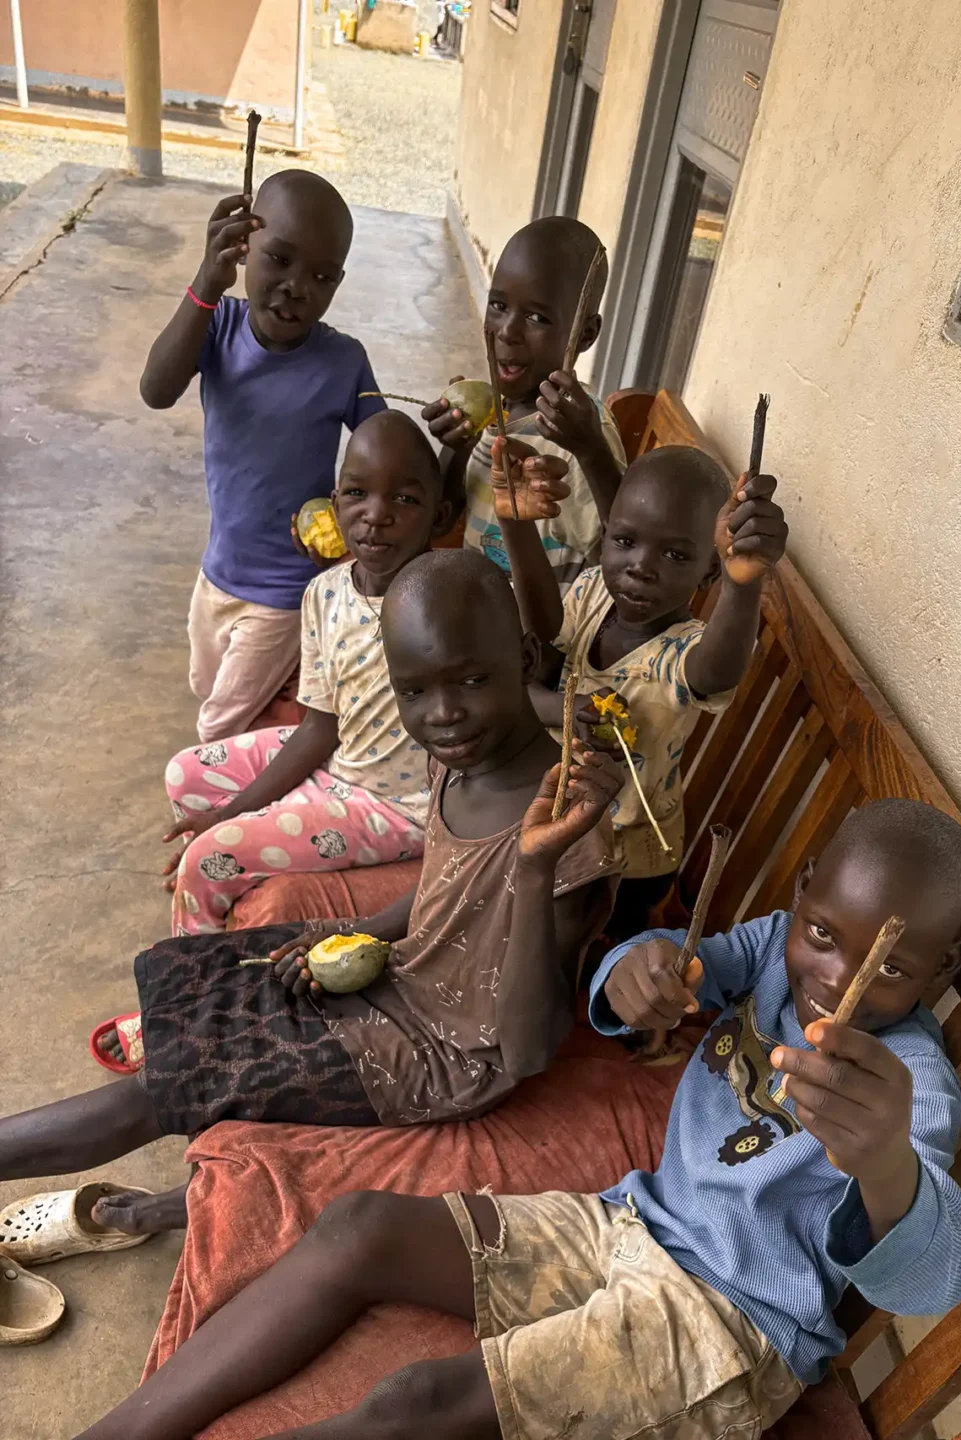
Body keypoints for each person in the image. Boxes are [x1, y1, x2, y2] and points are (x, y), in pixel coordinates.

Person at [73, 798, 961, 1440]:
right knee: (359, 1227)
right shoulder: (776, 947)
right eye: (824, 934)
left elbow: (933, 1278)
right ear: (808, 892)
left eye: (890, 969)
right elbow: (674, 967)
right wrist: (638, 971)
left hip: (732, 1324)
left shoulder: (914, 1086)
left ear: (942, 970)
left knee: (414, 1404)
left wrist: (885, 1164)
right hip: (631, 1222)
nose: (837, 978)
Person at [2, 551, 620, 1242]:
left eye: (472, 679)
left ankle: (163, 1193)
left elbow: (526, 1051)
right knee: (227, 971)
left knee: (166, 1086)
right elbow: (447, 888)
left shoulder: (565, 829)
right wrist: (362, 932)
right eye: (414, 691)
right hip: (406, 975)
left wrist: (533, 870)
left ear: (525, 658)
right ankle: (185, 1162)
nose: (444, 713)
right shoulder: (460, 757)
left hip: (448, 1054)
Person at [155, 409, 454, 940]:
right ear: (334, 505)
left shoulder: (448, 599)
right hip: (338, 760)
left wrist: (227, 825)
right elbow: (320, 726)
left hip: (395, 806)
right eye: (357, 493)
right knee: (185, 774)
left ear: (440, 516)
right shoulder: (325, 591)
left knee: (206, 860)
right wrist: (233, 812)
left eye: (405, 500)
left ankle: (197, 980)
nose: (376, 515)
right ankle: (239, 890)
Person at [492, 438, 788, 937]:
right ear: (607, 533)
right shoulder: (592, 592)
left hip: (627, 861)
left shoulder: (682, 655)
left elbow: (717, 671)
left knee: (586, 943)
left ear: (709, 569)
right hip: (555, 828)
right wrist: (516, 525)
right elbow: (537, 651)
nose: (641, 566)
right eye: (625, 541)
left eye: (674, 554)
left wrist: (740, 584)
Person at [141, 169, 386, 742]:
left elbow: (384, 452)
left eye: (322, 277)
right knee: (208, 687)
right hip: (218, 571)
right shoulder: (217, 326)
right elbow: (156, 390)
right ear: (243, 245)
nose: (297, 287)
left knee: (218, 726)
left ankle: (215, 797)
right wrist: (206, 281)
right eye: (279, 259)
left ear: (338, 282)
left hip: (287, 587)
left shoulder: (344, 362)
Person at [423, 216, 626, 593]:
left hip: (541, 626)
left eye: (537, 317)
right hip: (476, 609)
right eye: (498, 305)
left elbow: (621, 557)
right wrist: (457, 446)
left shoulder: (578, 435)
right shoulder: (494, 410)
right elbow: (442, 520)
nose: (507, 331)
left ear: (585, 334)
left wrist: (591, 452)